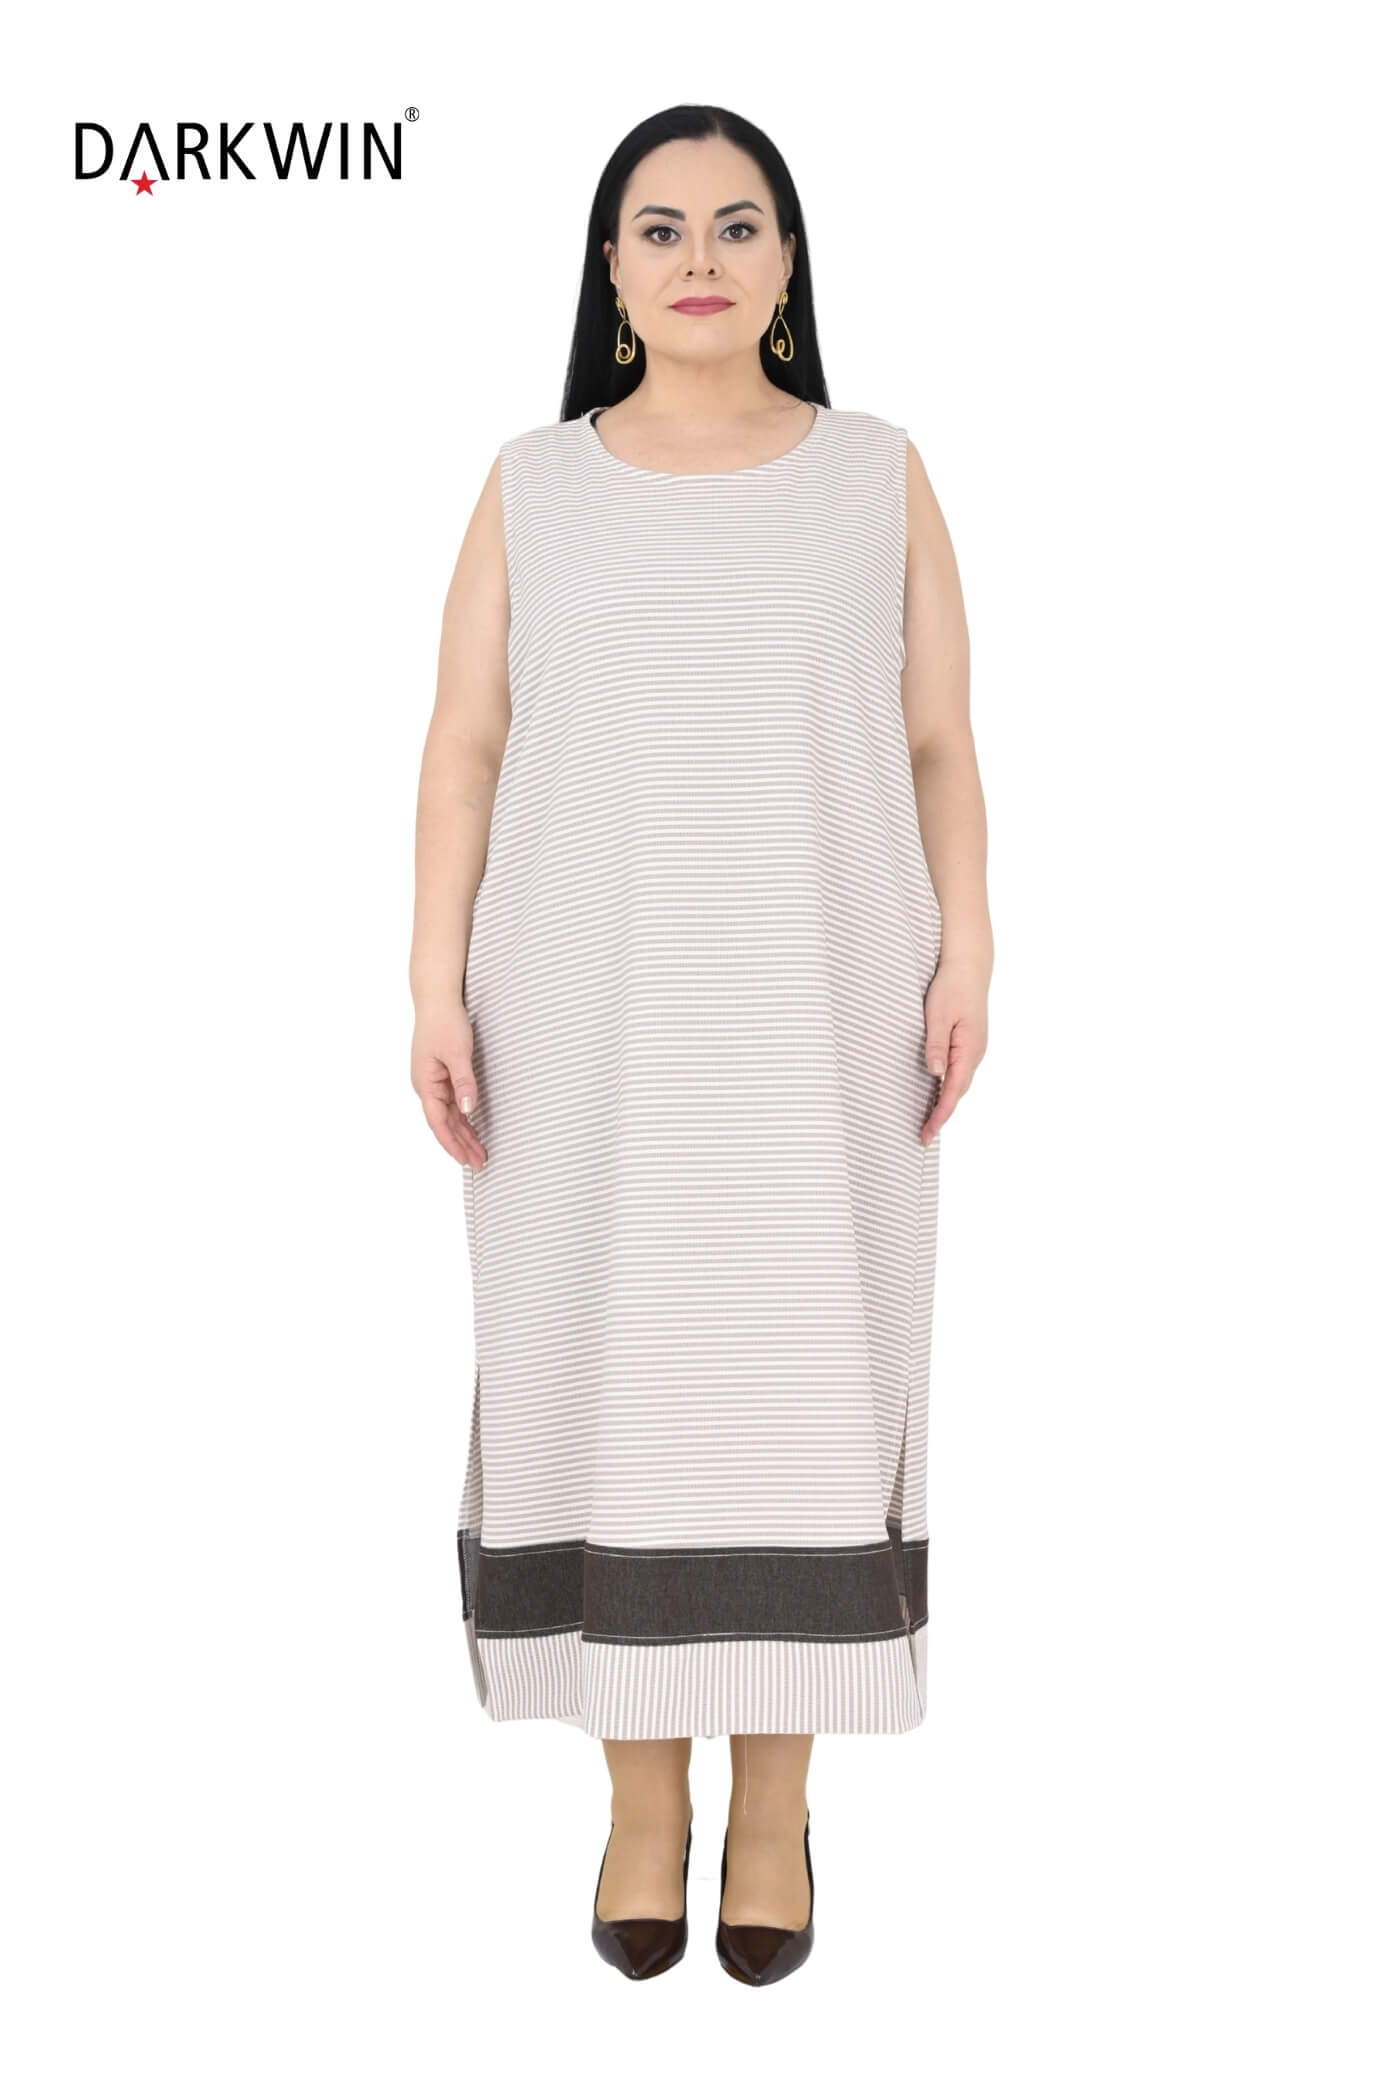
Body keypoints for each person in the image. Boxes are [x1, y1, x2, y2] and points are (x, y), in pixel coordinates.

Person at [409, 104, 992, 1986]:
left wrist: (971, 942)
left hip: (827, 1003)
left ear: (789, 260)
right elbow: (467, 746)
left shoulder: (878, 473)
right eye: (658, 228)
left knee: (807, 1390)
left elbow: (935, 741)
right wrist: (433, 981)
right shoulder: (533, 483)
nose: (699, 258)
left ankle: (776, 1809)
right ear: (610, 269)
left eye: (738, 224)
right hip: (582, 1011)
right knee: (610, 1382)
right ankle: (642, 1804)